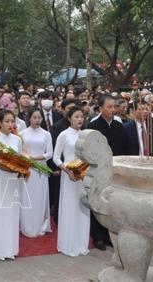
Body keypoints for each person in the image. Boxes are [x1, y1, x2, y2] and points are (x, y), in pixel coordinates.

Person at [87, 94, 126, 249]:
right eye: (109, 107)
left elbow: (125, 147)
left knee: (112, 203)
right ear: (101, 108)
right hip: (99, 170)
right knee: (98, 202)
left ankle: (110, 234)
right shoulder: (93, 126)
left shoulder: (119, 126)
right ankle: (98, 237)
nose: (112, 110)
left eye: (114, 107)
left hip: (115, 170)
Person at [0, 109, 23, 260]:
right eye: (6, 121)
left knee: (12, 213)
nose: (10, 124)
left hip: (13, 181)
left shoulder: (17, 140)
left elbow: (21, 160)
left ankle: (11, 248)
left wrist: (22, 169)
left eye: (12, 121)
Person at [53, 106, 90, 257]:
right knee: (69, 208)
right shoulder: (63, 135)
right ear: (69, 118)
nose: (80, 119)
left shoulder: (87, 135)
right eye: (76, 116)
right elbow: (55, 157)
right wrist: (66, 170)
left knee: (82, 208)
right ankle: (68, 244)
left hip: (83, 176)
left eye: (82, 116)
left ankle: (82, 243)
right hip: (68, 176)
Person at [20, 108, 53, 238]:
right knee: (26, 196)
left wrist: (33, 158)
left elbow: (49, 153)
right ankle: (25, 225)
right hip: (27, 169)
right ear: (29, 118)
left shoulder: (46, 134)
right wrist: (27, 159)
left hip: (41, 169)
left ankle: (40, 225)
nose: (37, 120)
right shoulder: (22, 133)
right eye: (34, 117)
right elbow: (19, 151)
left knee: (40, 196)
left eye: (39, 118)